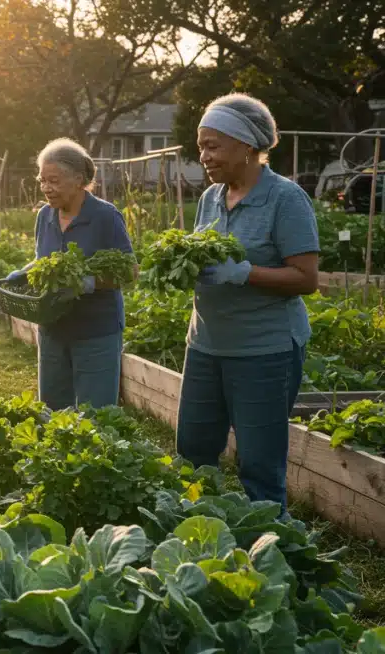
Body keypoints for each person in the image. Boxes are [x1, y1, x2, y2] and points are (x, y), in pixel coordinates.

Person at [175, 93, 319, 515]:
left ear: (247, 146)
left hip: (264, 351)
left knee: (258, 465)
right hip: (204, 346)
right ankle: (200, 539)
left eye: (214, 145)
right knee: (194, 451)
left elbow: (305, 279)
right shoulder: (211, 199)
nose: (204, 155)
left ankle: (274, 551)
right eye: (201, 145)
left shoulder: (285, 199)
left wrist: (244, 273)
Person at [3, 138, 134, 410]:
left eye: (54, 181)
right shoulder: (45, 216)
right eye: (42, 181)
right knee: (52, 411)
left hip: (95, 331)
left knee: (95, 416)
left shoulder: (105, 217)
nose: (46, 188)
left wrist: (87, 283)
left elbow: (129, 272)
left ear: (77, 179)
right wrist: (26, 272)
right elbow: (45, 261)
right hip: (52, 328)